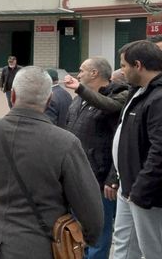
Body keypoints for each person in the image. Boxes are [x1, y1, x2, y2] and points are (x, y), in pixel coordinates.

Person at [0, 66, 103, 259]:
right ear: (49, 101)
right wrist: (87, 238)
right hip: (42, 246)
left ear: (12, 96)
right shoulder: (65, 142)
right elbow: (90, 209)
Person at [63, 57, 129, 259]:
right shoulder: (79, 99)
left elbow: (118, 143)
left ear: (94, 73)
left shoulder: (118, 97)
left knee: (99, 234)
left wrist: (112, 177)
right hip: (76, 177)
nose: (78, 73)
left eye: (82, 70)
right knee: (77, 230)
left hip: (100, 181)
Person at [112, 40, 162, 259]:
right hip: (129, 186)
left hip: (147, 194)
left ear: (138, 65)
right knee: (124, 245)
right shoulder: (139, 92)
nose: (122, 71)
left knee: (152, 251)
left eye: (124, 65)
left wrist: (141, 189)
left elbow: (159, 151)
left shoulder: (157, 98)